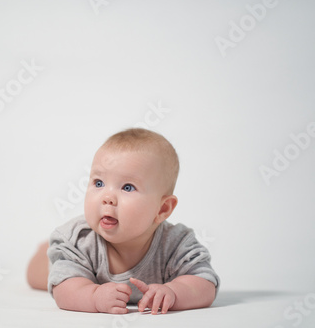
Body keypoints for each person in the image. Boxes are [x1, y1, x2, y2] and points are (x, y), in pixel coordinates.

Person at [27, 128, 219, 314]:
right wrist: (93, 296)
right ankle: (44, 249)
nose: (107, 197)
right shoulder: (77, 242)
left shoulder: (176, 243)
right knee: (39, 274)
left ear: (162, 209)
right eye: (98, 183)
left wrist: (175, 293)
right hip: (64, 263)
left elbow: (204, 281)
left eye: (127, 187)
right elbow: (64, 289)